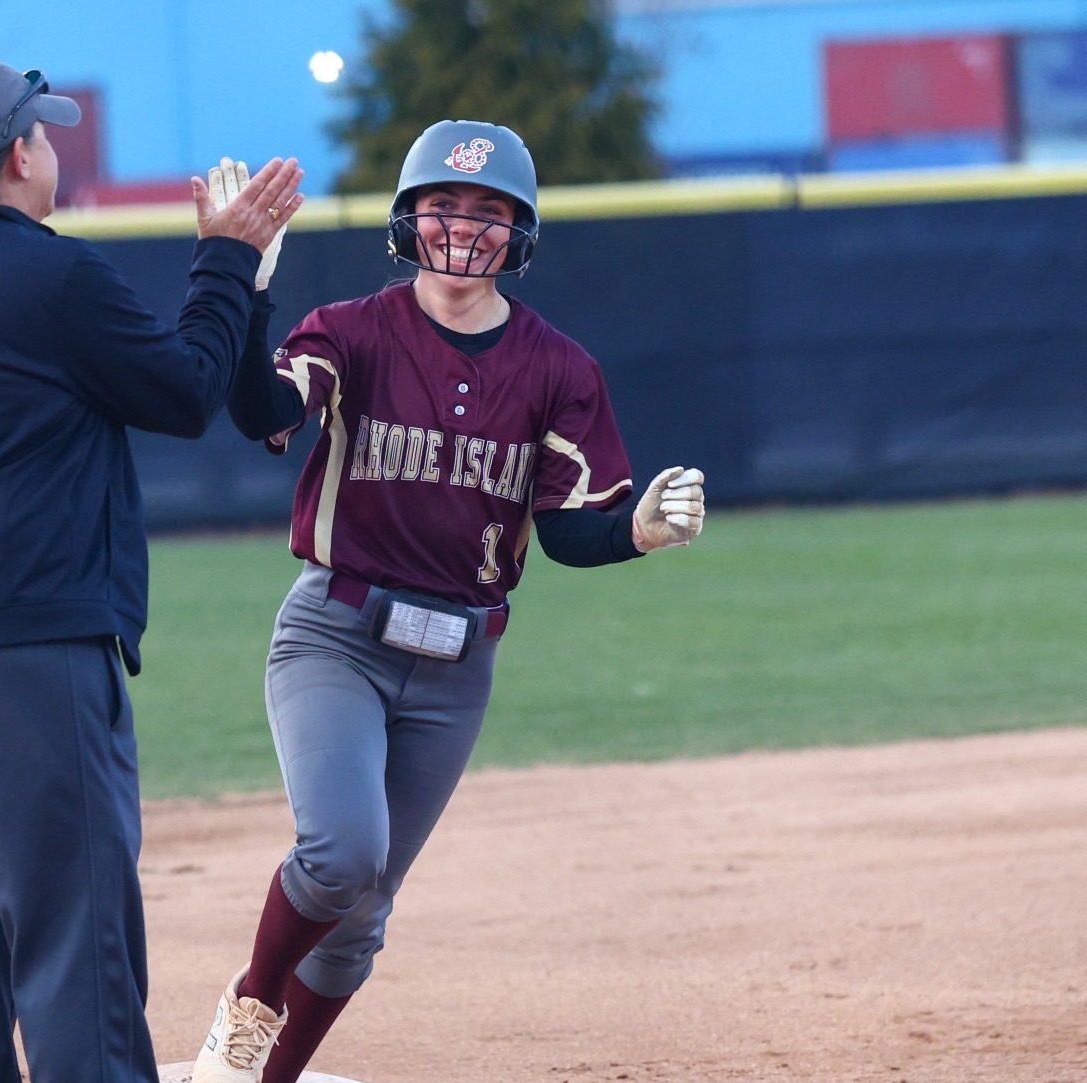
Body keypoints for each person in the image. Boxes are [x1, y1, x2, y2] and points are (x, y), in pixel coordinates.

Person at [188, 120, 706, 1083]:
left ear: (521, 232)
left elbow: (564, 533)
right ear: (408, 218)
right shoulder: (349, 330)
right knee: (342, 852)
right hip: (335, 634)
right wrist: (250, 291)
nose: (463, 227)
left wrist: (636, 530)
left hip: (459, 662)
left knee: (364, 912)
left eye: (488, 211)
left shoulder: (559, 370)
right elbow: (265, 410)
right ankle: (247, 1013)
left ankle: (271, 1080)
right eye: (444, 205)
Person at [0, 58, 302, 1083]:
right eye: (42, 134)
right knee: (70, 930)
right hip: (21, 643)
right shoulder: (50, 273)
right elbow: (183, 394)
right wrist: (227, 263)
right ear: (18, 157)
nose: (51, 148)